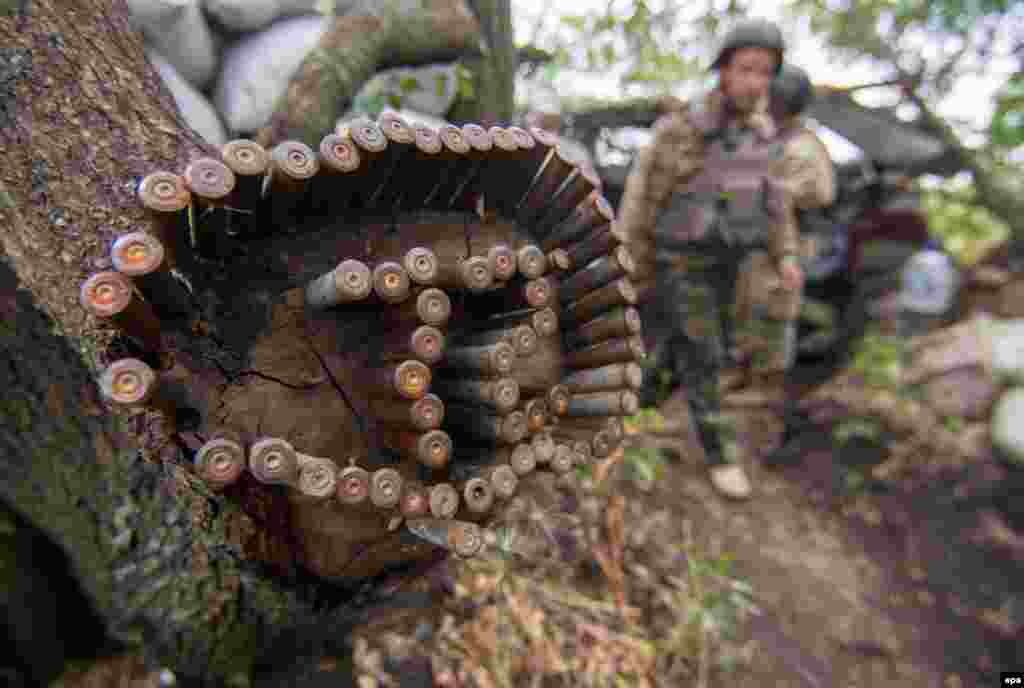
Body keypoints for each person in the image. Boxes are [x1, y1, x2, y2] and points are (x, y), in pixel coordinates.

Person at [618, 18, 801, 500]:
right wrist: (628, 263)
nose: (755, 82)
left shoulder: (764, 139)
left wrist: (785, 256)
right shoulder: (681, 130)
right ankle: (720, 454)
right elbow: (641, 202)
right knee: (703, 354)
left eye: (765, 72)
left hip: (731, 265)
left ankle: (631, 412)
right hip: (677, 261)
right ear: (723, 70)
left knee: (682, 348)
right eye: (746, 69)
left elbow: (777, 204)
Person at [731, 63, 837, 400]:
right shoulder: (777, 138)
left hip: (791, 238)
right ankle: (746, 374)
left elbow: (796, 199)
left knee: (774, 305)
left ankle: (767, 385)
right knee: (749, 302)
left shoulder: (800, 148)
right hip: (765, 239)